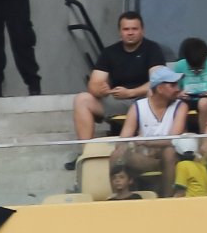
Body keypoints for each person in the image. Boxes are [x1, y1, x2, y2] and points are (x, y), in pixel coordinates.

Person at [72, 11, 169, 140]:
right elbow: (94, 84)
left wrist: (130, 92)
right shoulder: (109, 52)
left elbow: (158, 82)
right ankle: (85, 153)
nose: (130, 32)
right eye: (126, 29)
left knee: (154, 92)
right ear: (120, 32)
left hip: (145, 101)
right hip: (118, 100)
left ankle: (152, 143)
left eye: (134, 29)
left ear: (142, 30)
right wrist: (101, 90)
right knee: (82, 99)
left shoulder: (152, 49)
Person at [116, 66, 194, 197]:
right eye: (173, 85)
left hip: (170, 159)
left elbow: (173, 140)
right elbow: (122, 140)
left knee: (169, 152)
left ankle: (168, 201)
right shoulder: (138, 107)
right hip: (145, 159)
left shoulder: (181, 106)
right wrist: (128, 146)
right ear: (159, 88)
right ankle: (116, 200)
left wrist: (145, 142)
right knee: (117, 154)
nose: (178, 89)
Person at [174, 37, 207, 128]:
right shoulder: (180, 66)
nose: (196, 72)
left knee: (204, 103)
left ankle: (204, 136)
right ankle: (181, 136)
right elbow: (172, 90)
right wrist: (179, 94)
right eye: (192, 69)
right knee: (180, 106)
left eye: (200, 68)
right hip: (187, 99)